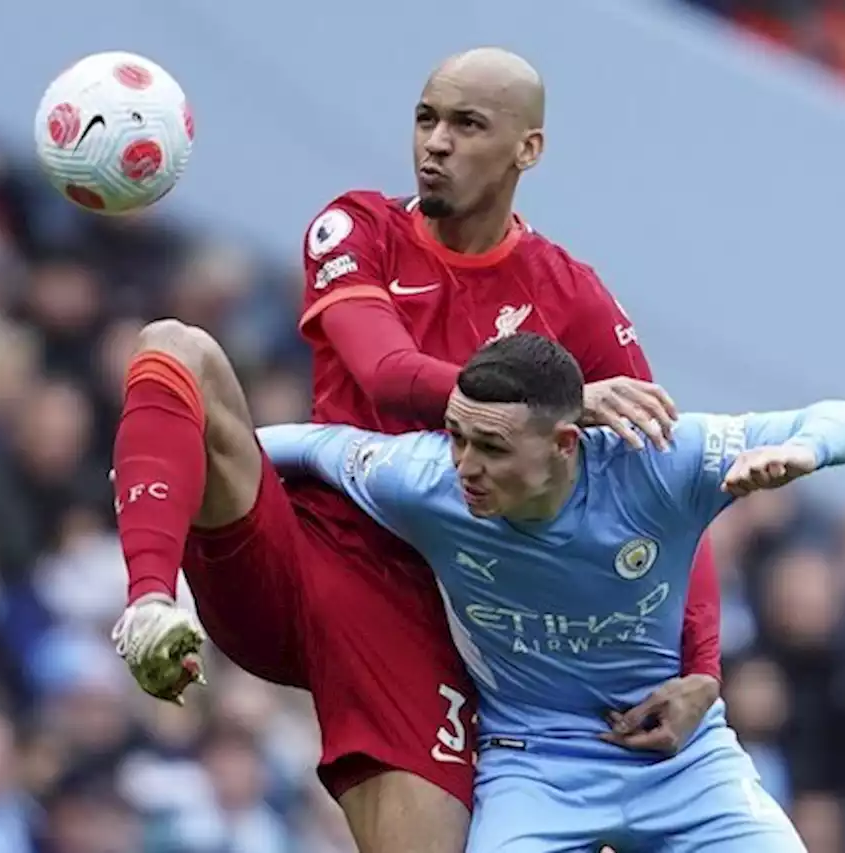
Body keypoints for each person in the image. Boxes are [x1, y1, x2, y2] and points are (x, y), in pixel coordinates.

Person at [110, 47, 721, 852]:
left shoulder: (570, 297)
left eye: (467, 125)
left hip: (421, 614)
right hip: (299, 547)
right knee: (175, 346)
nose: (435, 142)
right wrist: (560, 404)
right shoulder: (356, 227)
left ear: (526, 150)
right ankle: (150, 604)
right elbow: (387, 374)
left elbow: (665, 485)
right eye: (427, 118)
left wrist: (702, 668)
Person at [257, 332, 845, 852]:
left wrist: (803, 450)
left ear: (563, 443)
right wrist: (172, 447)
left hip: (682, 762)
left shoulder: (658, 461)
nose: (466, 465)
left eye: (493, 447)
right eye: (457, 436)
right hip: (534, 768)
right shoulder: (423, 481)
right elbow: (309, 447)